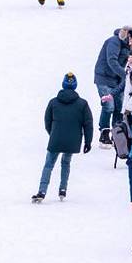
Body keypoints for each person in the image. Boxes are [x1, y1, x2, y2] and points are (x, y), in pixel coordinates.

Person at [31, 73, 94, 203]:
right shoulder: (82, 104)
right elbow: (88, 124)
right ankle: (63, 190)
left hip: (56, 139)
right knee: (66, 163)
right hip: (73, 141)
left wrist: (53, 133)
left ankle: (42, 191)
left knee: (49, 164)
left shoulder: (53, 102)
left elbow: (47, 122)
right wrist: (88, 141)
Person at [93, 25, 132, 145]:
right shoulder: (114, 41)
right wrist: (125, 75)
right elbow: (112, 60)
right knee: (109, 106)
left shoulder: (128, 46)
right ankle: (104, 132)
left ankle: (117, 133)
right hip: (103, 78)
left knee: (119, 107)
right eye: (125, 32)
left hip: (116, 80)